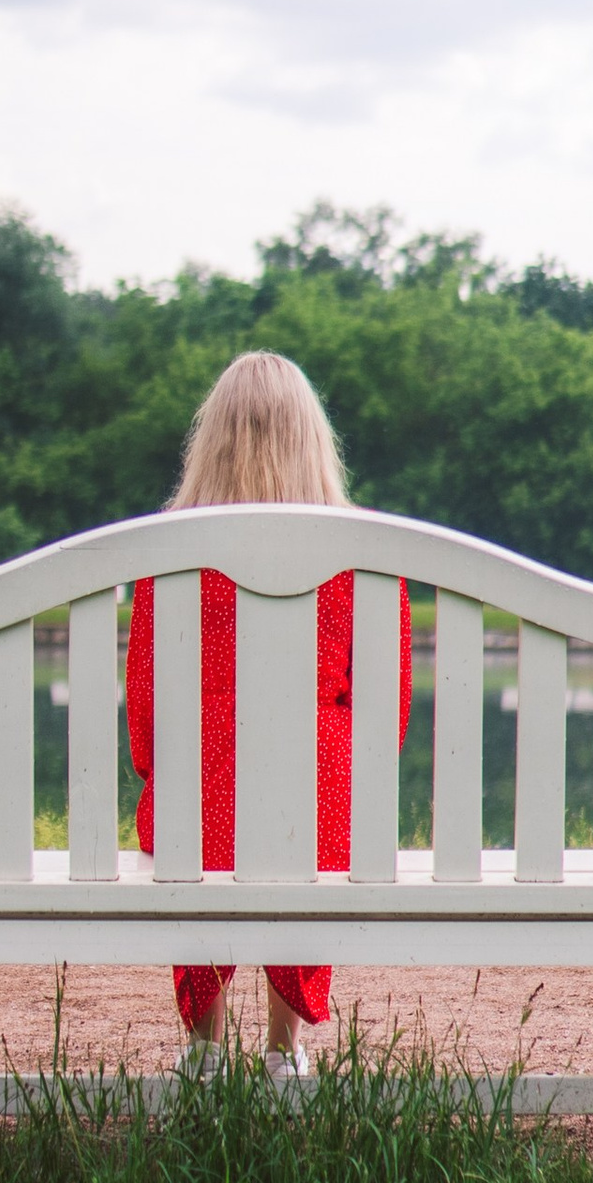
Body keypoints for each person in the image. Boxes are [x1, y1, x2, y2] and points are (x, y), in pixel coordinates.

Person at [125, 350, 413, 1081]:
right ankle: (284, 1052)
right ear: (314, 440)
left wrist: (160, 772)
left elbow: (147, 716)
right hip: (320, 811)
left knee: (192, 800)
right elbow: (386, 719)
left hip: (200, 812)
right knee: (327, 792)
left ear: (211, 440)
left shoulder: (169, 550)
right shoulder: (363, 552)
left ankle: (204, 1049)